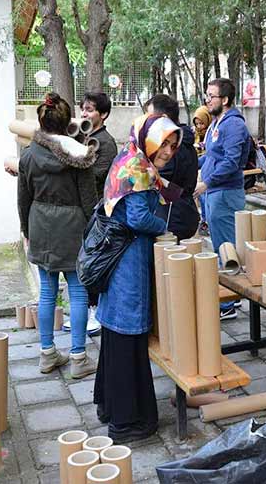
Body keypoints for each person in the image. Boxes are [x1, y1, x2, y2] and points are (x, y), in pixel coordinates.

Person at [93, 113, 181, 442]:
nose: (169, 151)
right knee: (128, 337)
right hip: (128, 261)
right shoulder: (140, 167)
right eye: (164, 143)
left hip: (116, 256)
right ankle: (126, 421)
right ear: (148, 138)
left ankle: (109, 406)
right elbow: (139, 217)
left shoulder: (128, 155)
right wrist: (167, 229)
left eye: (173, 145)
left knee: (115, 336)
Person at [18, 93, 98, 378]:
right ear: (68, 122)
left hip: (40, 222)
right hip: (72, 226)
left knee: (47, 291)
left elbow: (22, 199)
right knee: (77, 290)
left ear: (41, 121)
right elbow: (90, 201)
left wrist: (27, 230)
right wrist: (94, 233)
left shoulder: (28, 155)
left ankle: (47, 354)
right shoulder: (80, 154)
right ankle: (78, 357)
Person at [194, 78, 251, 320]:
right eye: (206, 95)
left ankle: (228, 303)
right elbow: (211, 157)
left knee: (226, 247)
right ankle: (231, 297)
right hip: (214, 193)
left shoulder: (234, 125)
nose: (207, 100)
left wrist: (207, 182)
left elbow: (231, 161)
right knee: (220, 245)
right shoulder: (218, 122)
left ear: (225, 100)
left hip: (224, 193)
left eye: (211, 96)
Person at [79, 91, 118, 334]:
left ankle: (95, 312)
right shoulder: (82, 136)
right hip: (82, 208)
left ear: (103, 114)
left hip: (96, 212)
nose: (84, 113)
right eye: (83, 108)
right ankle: (87, 310)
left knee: (93, 263)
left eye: (90, 109)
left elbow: (95, 176)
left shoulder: (106, 143)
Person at [145, 94, 200, 240]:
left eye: (149, 117)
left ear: (162, 118)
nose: (147, 122)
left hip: (171, 217)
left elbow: (158, 179)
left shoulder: (171, 149)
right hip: (183, 213)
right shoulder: (185, 143)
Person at [192, 106, 212, 235]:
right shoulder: (194, 134)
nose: (199, 126)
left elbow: (209, 154)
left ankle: (205, 220)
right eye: (197, 123)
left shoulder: (212, 132)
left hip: (207, 166)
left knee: (202, 190)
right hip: (199, 165)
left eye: (202, 123)